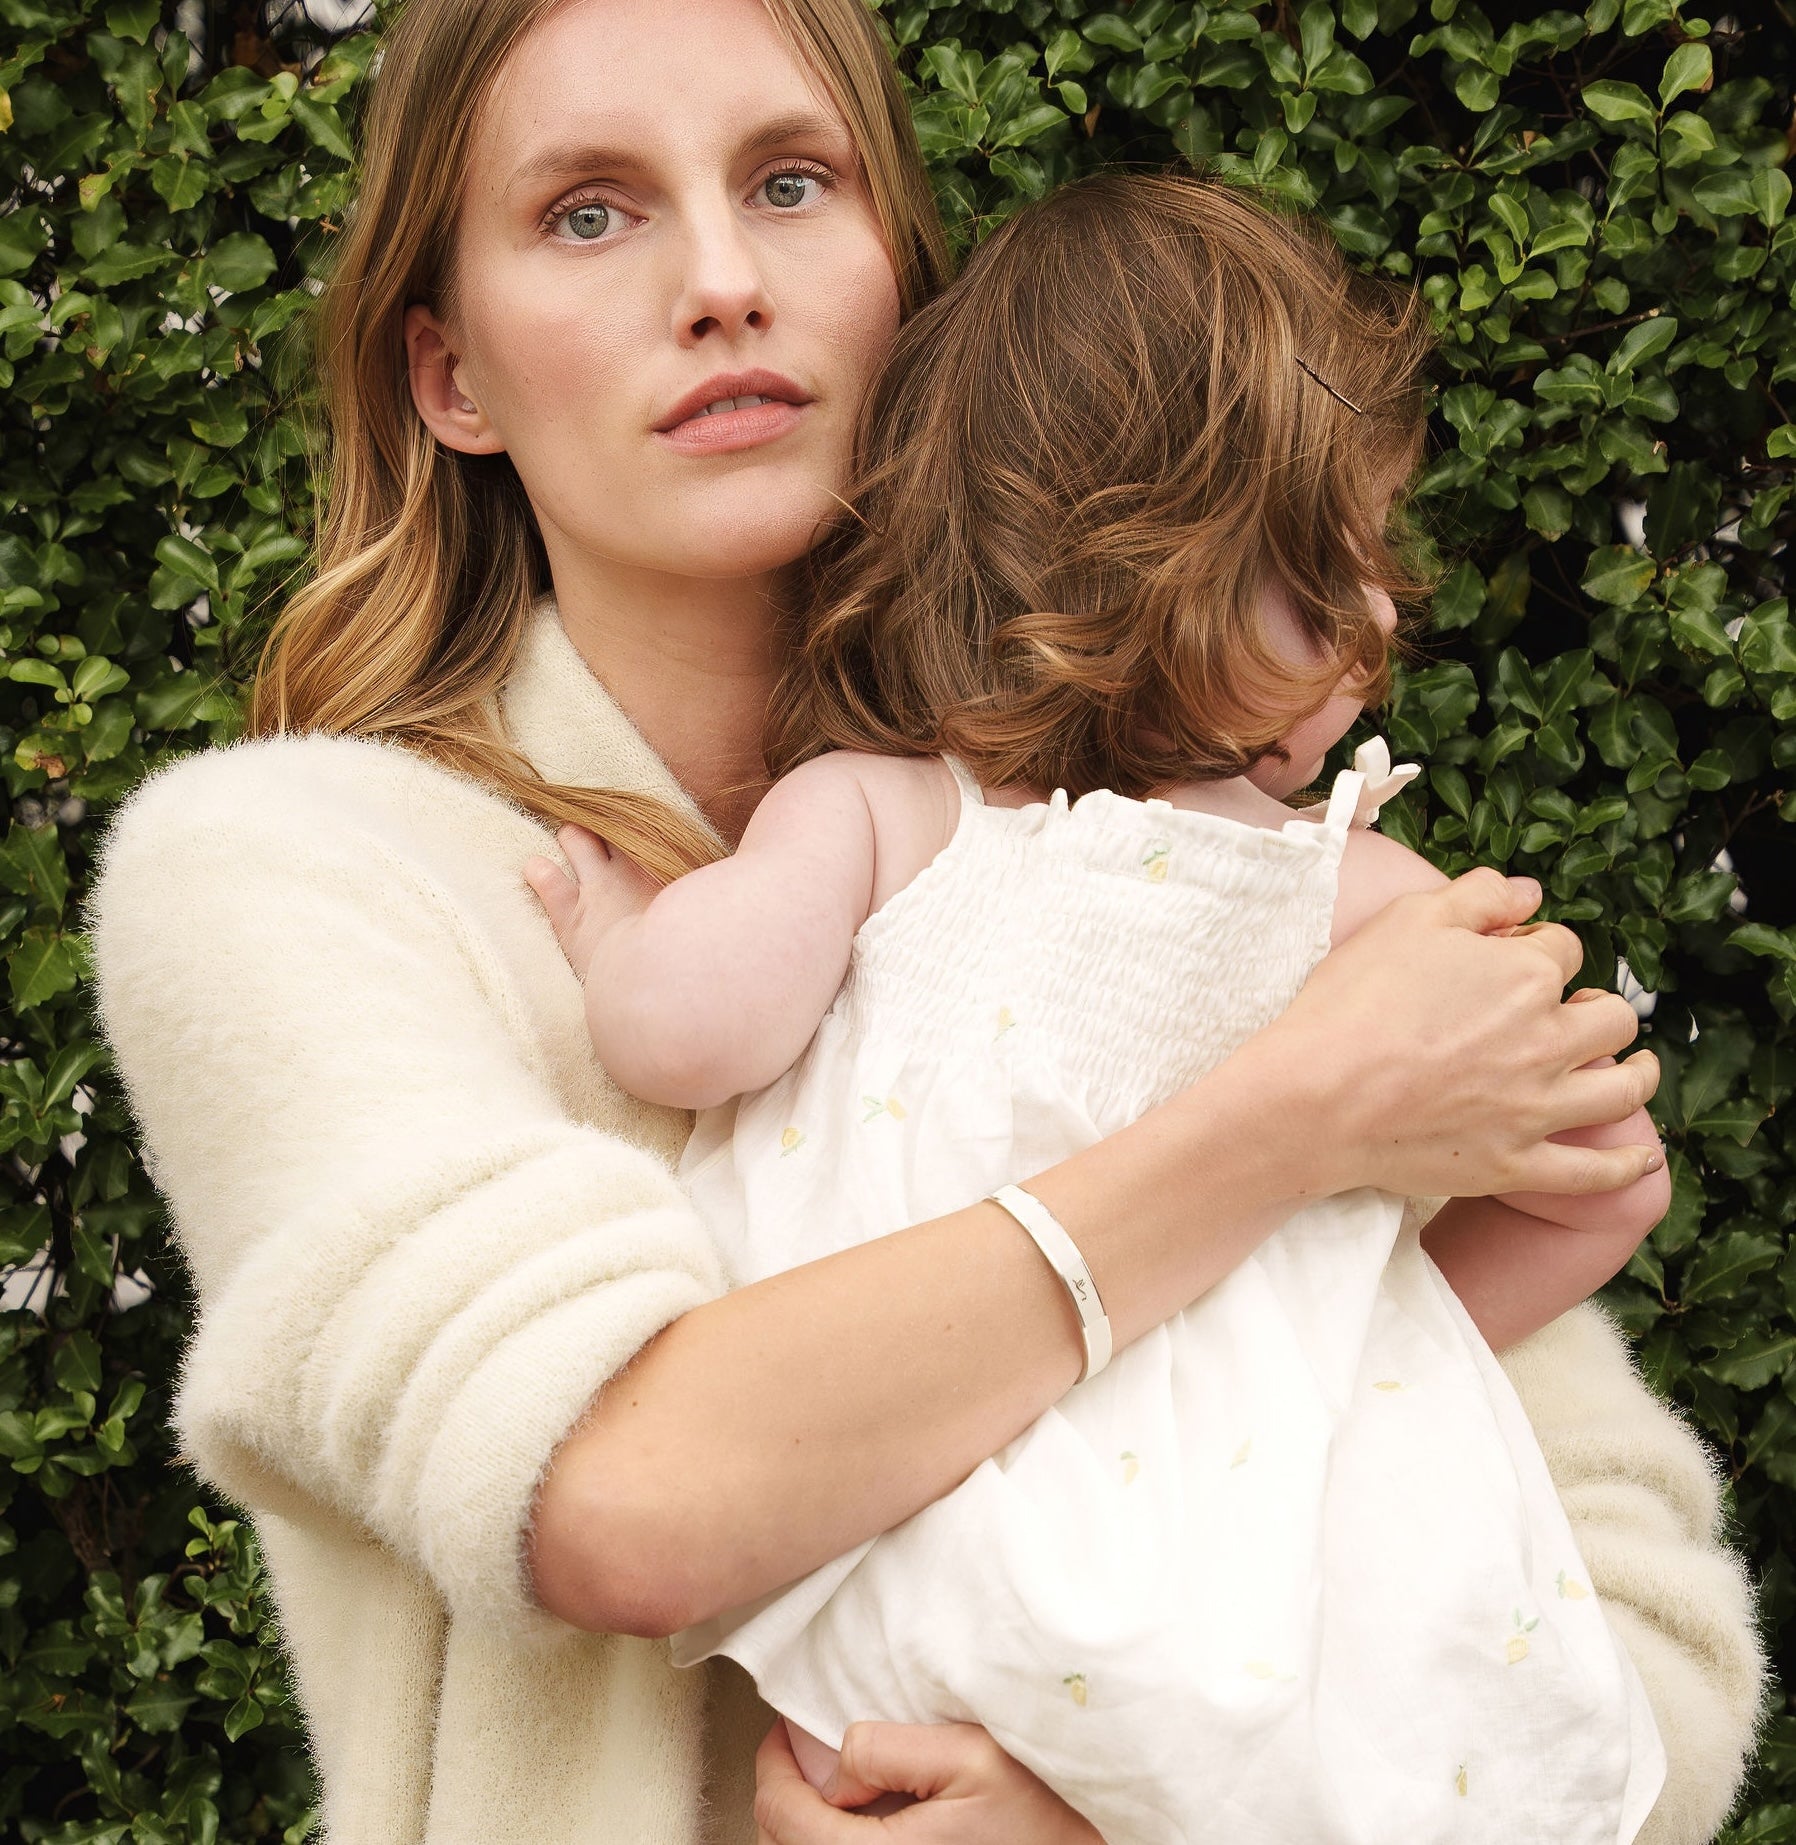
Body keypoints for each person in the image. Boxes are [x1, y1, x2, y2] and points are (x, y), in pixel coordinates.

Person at [86, 1, 1763, 1841]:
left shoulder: (1219, 872)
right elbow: (613, 1488)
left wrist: (1140, 1817)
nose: (722, 280)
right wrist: (1291, 1127)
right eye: (589, 211)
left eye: (792, 182)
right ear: (448, 374)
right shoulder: (303, 876)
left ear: (918, 296)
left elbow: (1640, 1648)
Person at [523, 174, 1670, 1844]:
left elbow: (686, 1036)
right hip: (1247, 1592)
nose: (1368, 631)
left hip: (924, 1547)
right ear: (1111, 565)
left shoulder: (882, 810)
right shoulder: (1356, 897)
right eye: (1307, 577)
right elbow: (1613, 1171)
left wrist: (623, 923)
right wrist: (1348, 1358)